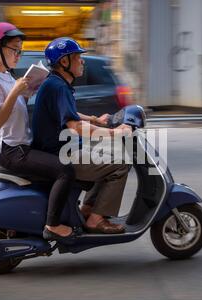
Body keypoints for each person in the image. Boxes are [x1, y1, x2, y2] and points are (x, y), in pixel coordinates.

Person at [0, 22, 78, 241]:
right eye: (14, 49)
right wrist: (15, 92)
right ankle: (52, 225)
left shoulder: (8, 77)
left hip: (20, 146)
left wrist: (27, 90)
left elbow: (12, 111)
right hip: (10, 151)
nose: (18, 54)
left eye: (20, 49)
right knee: (65, 170)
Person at [32, 37, 132, 234]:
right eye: (78, 57)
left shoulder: (56, 83)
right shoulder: (58, 86)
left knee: (109, 155)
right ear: (64, 62)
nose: (82, 61)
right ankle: (95, 219)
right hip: (61, 154)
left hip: (64, 148)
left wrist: (95, 120)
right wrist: (114, 132)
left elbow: (69, 113)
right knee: (120, 164)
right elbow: (75, 125)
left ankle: (88, 209)